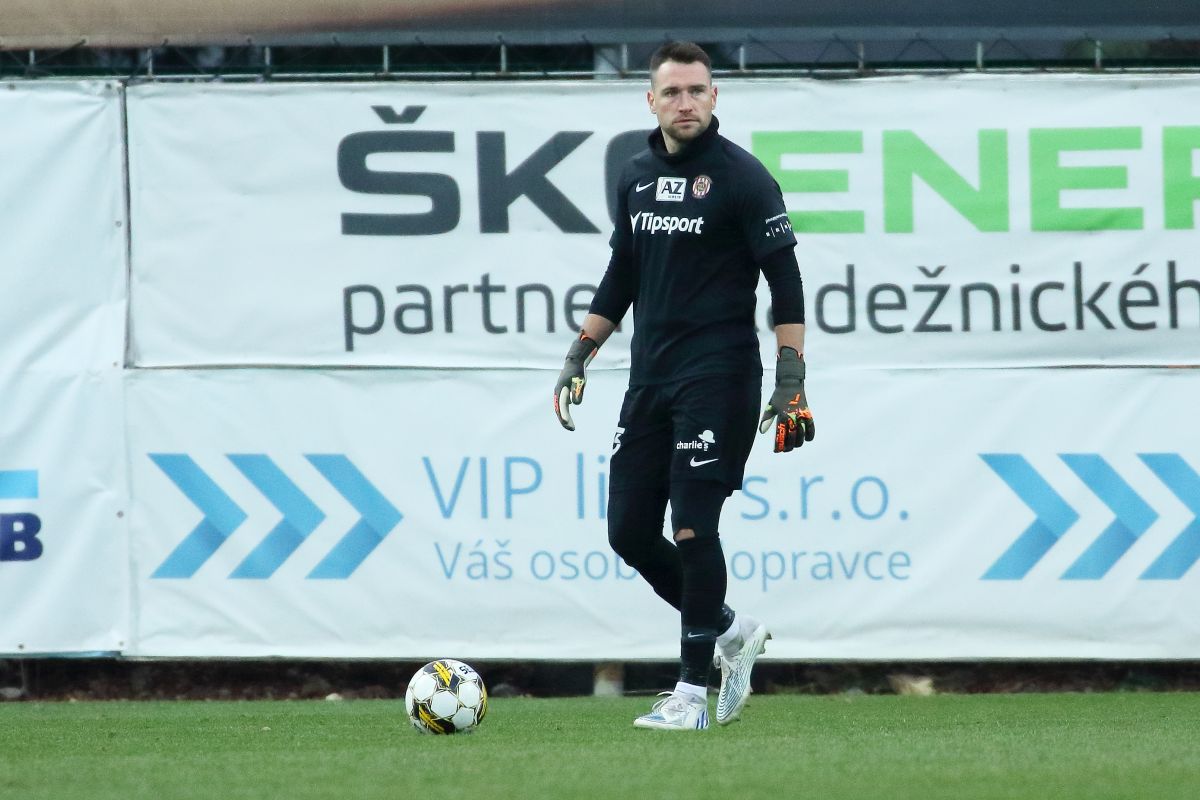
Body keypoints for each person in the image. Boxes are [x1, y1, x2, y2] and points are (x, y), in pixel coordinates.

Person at [553, 41, 814, 730]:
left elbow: (786, 282)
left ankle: (691, 695)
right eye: (672, 92)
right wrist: (581, 352)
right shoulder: (635, 176)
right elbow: (623, 273)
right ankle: (730, 630)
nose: (686, 102)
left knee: (694, 527)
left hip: (720, 376)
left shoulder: (744, 178)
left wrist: (791, 378)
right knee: (628, 532)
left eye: (697, 90)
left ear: (714, 97)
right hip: (651, 378)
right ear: (651, 101)